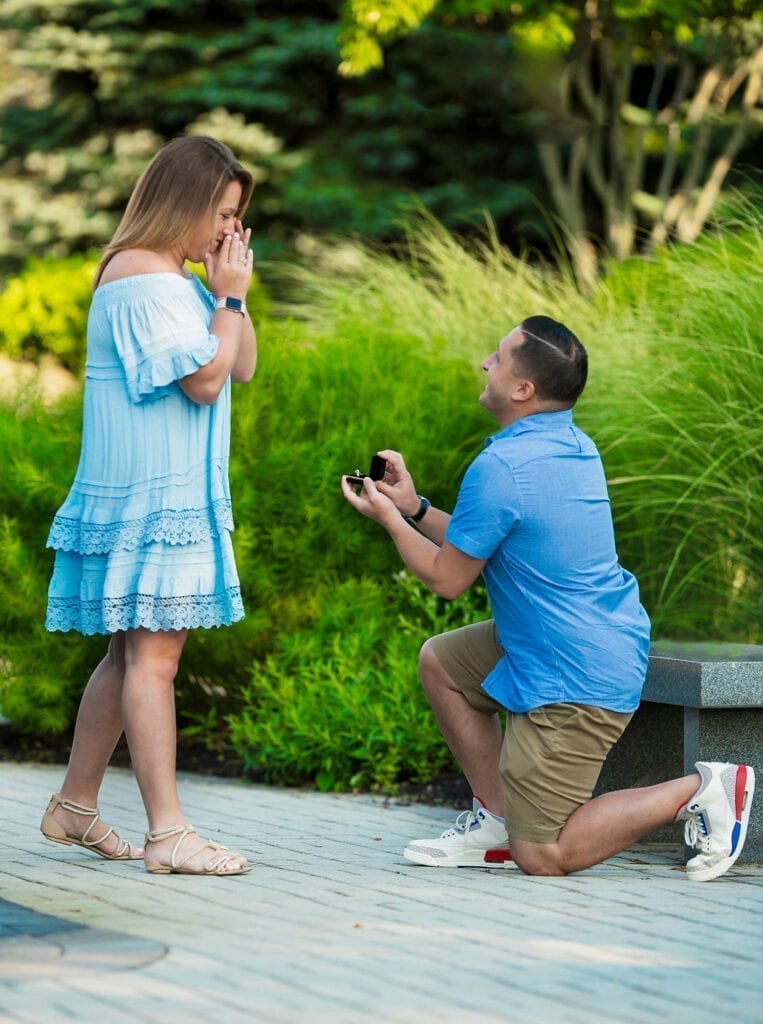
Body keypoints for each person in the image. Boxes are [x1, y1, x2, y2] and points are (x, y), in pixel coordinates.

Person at [341, 315, 755, 881]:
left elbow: (447, 578)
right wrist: (414, 507)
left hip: (575, 672)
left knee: (542, 854)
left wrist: (388, 519)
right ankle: (494, 822)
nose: (486, 363)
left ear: (522, 389)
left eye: (498, 357)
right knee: (443, 663)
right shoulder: (567, 443)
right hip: (574, 638)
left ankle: (705, 787)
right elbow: (478, 536)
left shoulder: (504, 465)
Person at [41, 135, 257, 876]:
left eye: (237, 220)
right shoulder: (140, 278)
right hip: (150, 496)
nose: (228, 232)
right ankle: (168, 834)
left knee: (130, 654)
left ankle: (73, 806)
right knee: (155, 660)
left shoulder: (176, 280)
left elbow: (243, 363)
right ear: (184, 203)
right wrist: (223, 297)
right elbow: (205, 380)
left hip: (161, 493)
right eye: (221, 215)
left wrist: (228, 290)